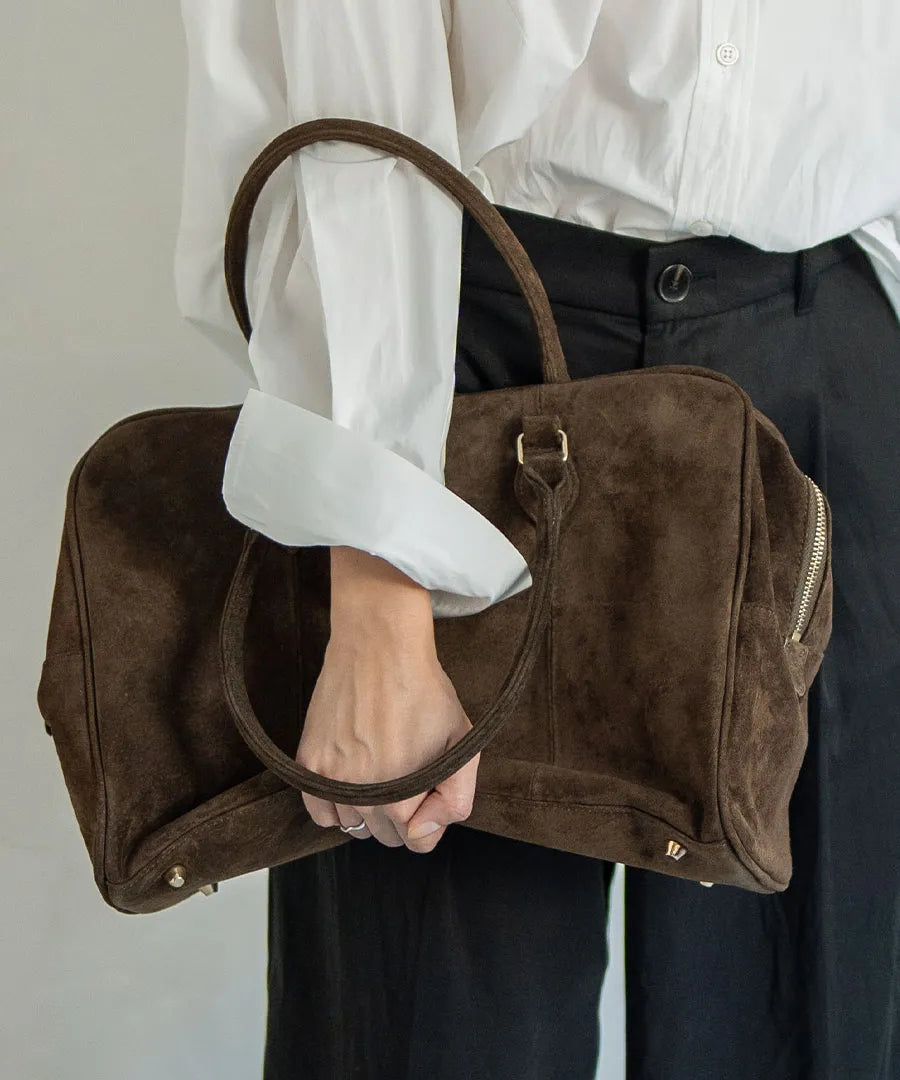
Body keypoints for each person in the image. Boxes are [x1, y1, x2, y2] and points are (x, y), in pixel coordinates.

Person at [174, 4, 900, 1078]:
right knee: (435, 1034)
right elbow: (347, 76)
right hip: (460, 366)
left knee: (813, 1021)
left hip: (827, 364)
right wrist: (377, 579)